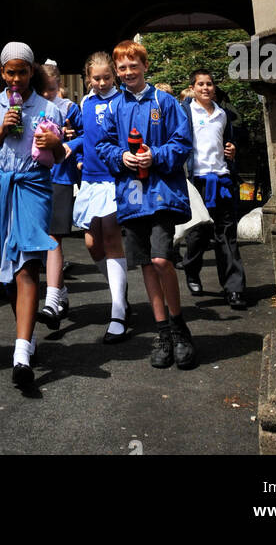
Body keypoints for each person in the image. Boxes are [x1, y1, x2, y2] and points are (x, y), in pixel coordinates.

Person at [96, 41, 197, 371]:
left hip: (162, 194)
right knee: (145, 266)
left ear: (144, 66)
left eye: (132, 66)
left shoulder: (165, 102)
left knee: (160, 259)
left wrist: (156, 155)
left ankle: (180, 327)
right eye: (121, 68)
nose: (127, 73)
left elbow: (182, 143)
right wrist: (120, 156)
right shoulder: (114, 107)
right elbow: (104, 146)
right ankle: (162, 332)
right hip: (131, 198)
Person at [0, 42, 65, 387]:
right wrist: (2, 128)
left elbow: (58, 157)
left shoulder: (48, 109)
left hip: (34, 187)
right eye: (10, 72)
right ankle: (26, 339)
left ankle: (20, 356)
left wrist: (52, 145)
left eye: (23, 71)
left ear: (32, 72)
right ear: (1, 72)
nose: (16, 78)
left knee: (28, 264)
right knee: (9, 270)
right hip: (2, 190)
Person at [66, 51, 129, 342]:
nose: (101, 83)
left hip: (113, 178)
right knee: (92, 244)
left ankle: (118, 310)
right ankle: (120, 289)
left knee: (111, 237)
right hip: (90, 179)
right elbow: (87, 135)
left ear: (113, 75)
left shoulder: (122, 101)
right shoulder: (86, 102)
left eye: (106, 77)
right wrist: (72, 146)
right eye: (96, 78)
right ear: (87, 78)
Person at [181, 69, 248, 309]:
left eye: (209, 84)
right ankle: (191, 269)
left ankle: (234, 289)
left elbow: (232, 141)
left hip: (221, 179)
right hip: (197, 179)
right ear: (193, 88)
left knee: (226, 234)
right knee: (198, 234)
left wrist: (233, 150)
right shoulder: (185, 112)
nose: (206, 88)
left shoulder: (223, 114)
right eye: (200, 84)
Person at [37, 67, 82, 329]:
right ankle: (61, 292)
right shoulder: (29, 105)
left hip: (61, 177)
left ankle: (52, 299)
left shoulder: (70, 108)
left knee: (54, 236)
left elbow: (89, 135)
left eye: (51, 89)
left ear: (59, 84)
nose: (47, 94)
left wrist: (70, 144)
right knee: (41, 238)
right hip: (34, 177)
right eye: (42, 89)